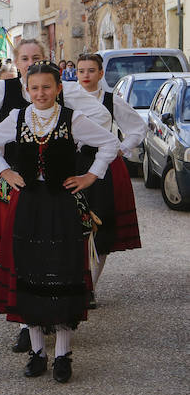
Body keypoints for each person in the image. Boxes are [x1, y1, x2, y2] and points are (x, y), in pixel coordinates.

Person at [0, 39, 110, 353]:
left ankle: (59, 331)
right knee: (22, 257)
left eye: (36, 57)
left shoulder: (66, 94)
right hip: (18, 187)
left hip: (58, 192)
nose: (30, 62)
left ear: (50, 66)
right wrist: (2, 158)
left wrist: (85, 164)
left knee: (59, 257)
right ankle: (31, 329)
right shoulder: (4, 92)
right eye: (24, 58)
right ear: (17, 63)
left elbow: (103, 120)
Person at [0, 62, 118, 383]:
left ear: (59, 89)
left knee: (64, 273)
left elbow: (109, 143)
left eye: (47, 87)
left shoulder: (73, 119)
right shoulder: (17, 118)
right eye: (34, 88)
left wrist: (90, 176)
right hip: (28, 205)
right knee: (30, 271)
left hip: (62, 206)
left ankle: (63, 355)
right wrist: (4, 170)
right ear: (27, 91)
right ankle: (38, 352)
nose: (40, 93)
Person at [75, 53, 144, 306]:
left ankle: (90, 287)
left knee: (101, 227)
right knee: (72, 226)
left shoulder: (111, 101)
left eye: (91, 70)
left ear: (101, 73)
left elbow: (138, 128)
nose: (85, 75)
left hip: (104, 168)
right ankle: (74, 284)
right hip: (75, 165)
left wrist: (121, 148)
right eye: (81, 70)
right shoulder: (68, 99)